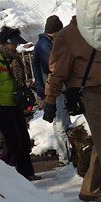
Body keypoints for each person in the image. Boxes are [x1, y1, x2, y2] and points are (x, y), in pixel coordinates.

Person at [43, 15, 101, 202]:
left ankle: (90, 189)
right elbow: (57, 71)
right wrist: (49, 101)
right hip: (90, 93)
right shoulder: (68, 35)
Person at [0, 25, 40, 181]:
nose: (16, 46)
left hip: (14, 103)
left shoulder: (12, 57)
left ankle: (26, 172)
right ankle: (2, 172)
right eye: (13, 43)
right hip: (1, 104)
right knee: (13, 138)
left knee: (23, 137)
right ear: (6, 42)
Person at [32, 15, 71, 165]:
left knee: (61, 121)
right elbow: (56, 68)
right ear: (55, 31)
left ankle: (66, 156)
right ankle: (64, 159)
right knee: (60, 123)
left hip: (54, 87)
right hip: (55, 88)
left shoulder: (45, 43)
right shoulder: (45, 46)